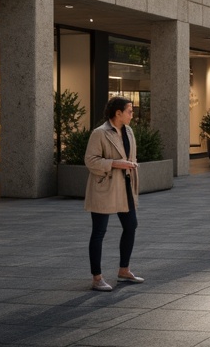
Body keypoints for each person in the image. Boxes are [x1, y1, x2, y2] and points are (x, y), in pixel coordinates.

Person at [84, 96, 144, 292]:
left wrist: (130, 165)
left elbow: (129, 157)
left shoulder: (129, 131)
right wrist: (115, 164)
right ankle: (97, 277)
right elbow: (91, 160)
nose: (132, 114)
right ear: (118, 113)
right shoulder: (99, 133)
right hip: (105, 187)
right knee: (99, 232)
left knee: (131, 225)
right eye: (129, 111)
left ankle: (124, 270)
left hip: (125, 186)